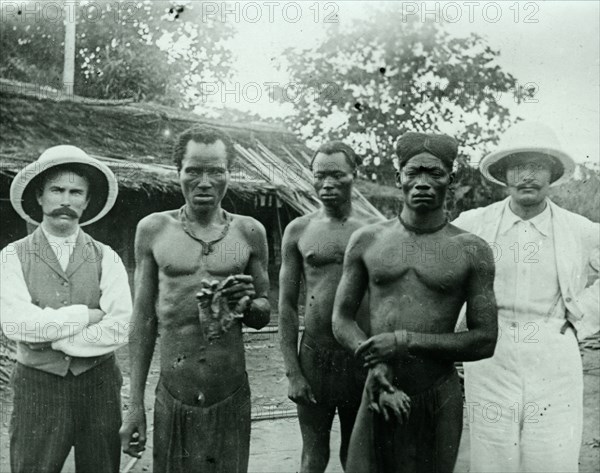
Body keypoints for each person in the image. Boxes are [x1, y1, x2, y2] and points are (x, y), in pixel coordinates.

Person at [332, 132, 498, 473]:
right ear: (398, 178)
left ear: (450, 180)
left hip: (437, 393)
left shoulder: (471, 249)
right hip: (378, 385)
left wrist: (405, 341)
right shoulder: (367, 240)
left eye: (434, 173)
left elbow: (485, 340)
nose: (423, 182)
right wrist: (375, 364)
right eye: (413, 172)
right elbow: (341, 319)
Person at [119, 125, 270, 473]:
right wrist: (135, 406)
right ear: (179, 173)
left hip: (230, 392)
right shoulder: (153, 230)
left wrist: (246, 305)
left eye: (216, 170)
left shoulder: (249, 232)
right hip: (174, 392)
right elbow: (142, 320)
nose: (205, 181)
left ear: (229, 174)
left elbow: (264, 310)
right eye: (194, 171)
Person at [452, 121, 600, 473]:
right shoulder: (474, 224)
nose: (528, 176)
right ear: (504, 174)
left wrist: (581, 315)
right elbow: (439, 275)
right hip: (491, 353)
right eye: (518, 166)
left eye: (538, 166)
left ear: (552, 173)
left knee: (552, 455)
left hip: (553, 351)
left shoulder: (578, 230)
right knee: (493, 456)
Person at [0, 145, 132, 473]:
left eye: (76, 192)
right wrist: (86, 316)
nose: (66, 200)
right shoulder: (12, 256)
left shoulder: (107, 257)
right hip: (37, 387)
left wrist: (56, 339)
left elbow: (119, 326)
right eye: (57, 190)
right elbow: (17, 324)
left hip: (98, 386)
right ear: (39, 196)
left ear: (86, 202)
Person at [279, 141, 383, 472]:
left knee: (357, 458)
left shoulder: (376, 229)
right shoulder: (299, 230)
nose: (327, 184)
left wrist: (382, 364)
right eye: (319, 176)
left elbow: (389, 300)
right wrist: (293, 372)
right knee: (312, 457)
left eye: (337, 175)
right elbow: (286, 305)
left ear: (354, 175)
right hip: (315, 357)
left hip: (360, 356)